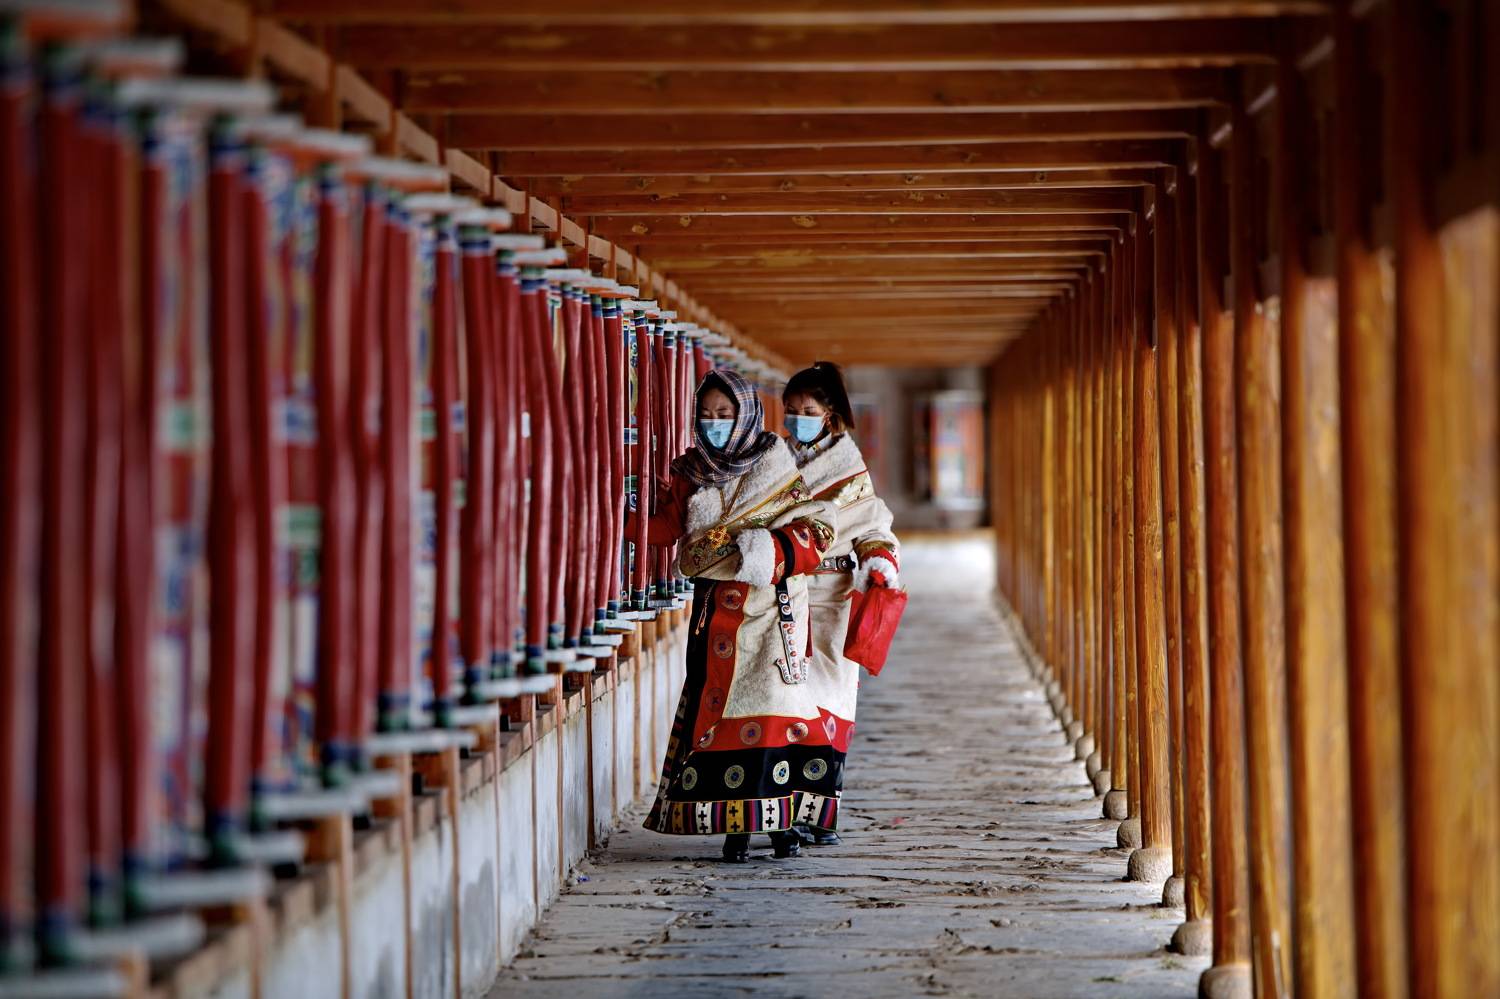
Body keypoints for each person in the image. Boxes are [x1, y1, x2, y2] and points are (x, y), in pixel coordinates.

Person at [637, 368, 842, 863]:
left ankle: (780, 824)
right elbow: (665, 531)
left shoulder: (777, 465)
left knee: (772, 716)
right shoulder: (689, 472)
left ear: (746, 415)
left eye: (725, 414)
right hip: (716, 619)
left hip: (771, 612)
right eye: (706, 415)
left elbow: (817, 529)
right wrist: (613, 510)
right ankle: (737, 829)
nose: (714, 423)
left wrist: (757, 550)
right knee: (723, 715)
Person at [781, 362, 901, 847]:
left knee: (829, 702)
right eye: (790, 410)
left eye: (807, 411)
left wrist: (880, 561)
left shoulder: (850, 471)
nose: (796, 419)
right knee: (783, 704)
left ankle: (821, 812)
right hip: (783, 598)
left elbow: (873, 527)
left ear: (829, 416)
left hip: (832, 600)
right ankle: (784, 808)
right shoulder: (774, 463)